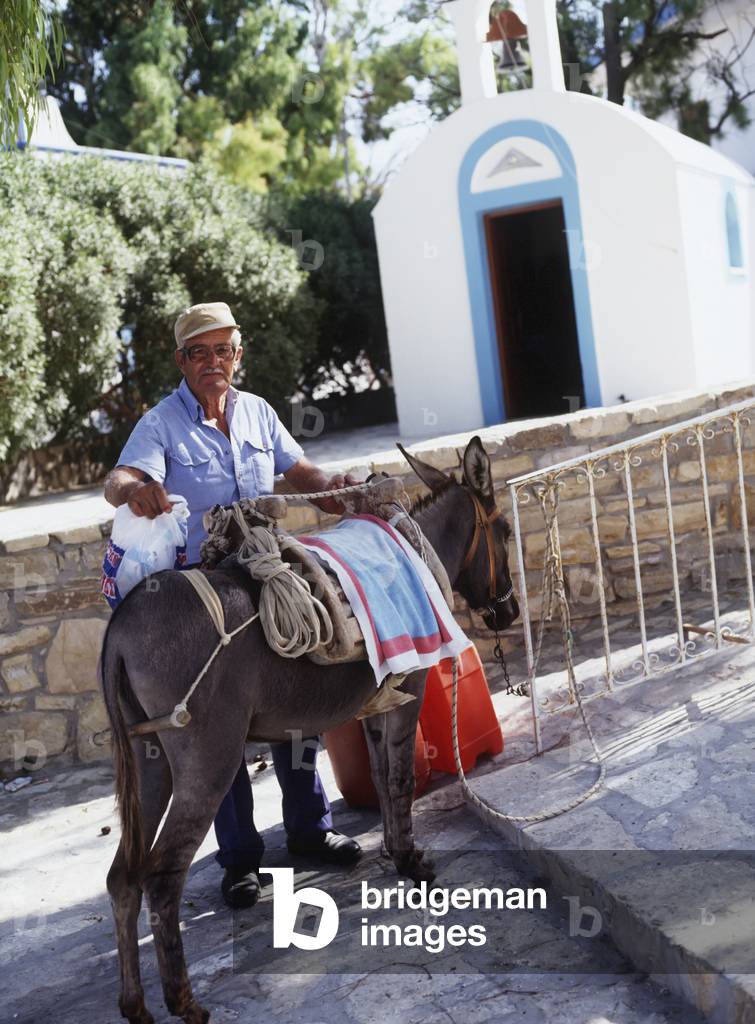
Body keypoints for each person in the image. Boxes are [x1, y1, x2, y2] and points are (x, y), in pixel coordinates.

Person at [103, 301, 362, 909]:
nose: (212, 363)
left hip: (270, 583)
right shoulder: (162, 422)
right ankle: (240, 858)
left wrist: (339, 491)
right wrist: (138, 490)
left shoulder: (259, 413)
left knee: (298, 703)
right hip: (207, 603)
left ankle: (309, 829)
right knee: (220, 731)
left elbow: (300, 472)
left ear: (237, 356)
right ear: (182, 361)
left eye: (223, 351)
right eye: (199, 352)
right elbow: (117, 479)